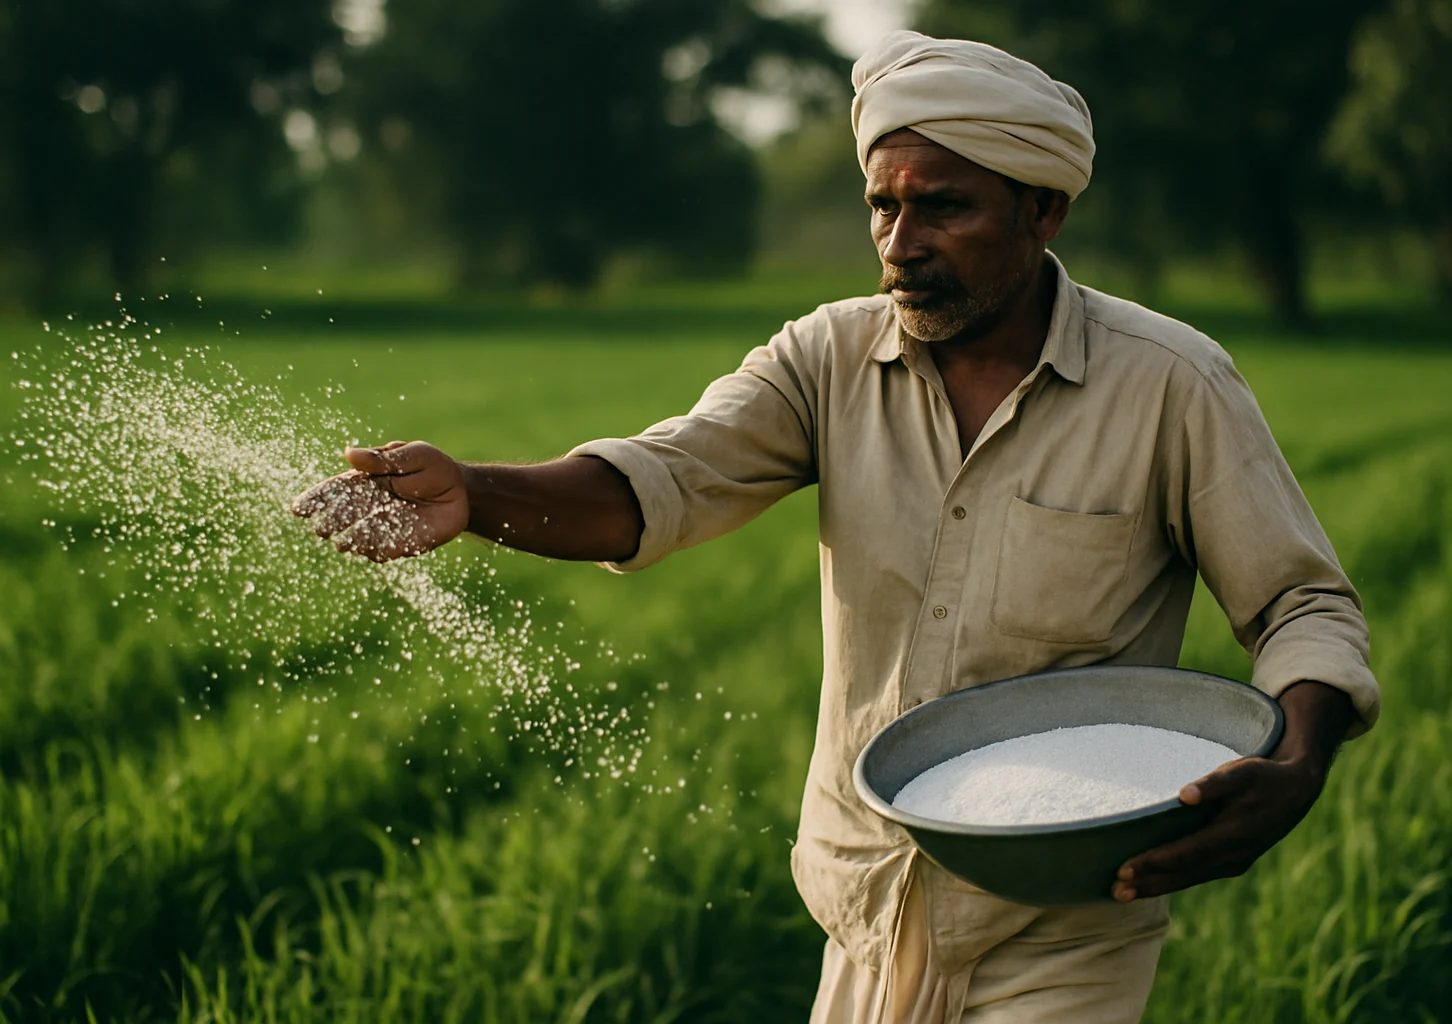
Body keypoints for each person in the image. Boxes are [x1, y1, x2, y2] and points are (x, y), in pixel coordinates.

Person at [292, 30, 1379, 1024]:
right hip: (864, 906)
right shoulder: (827, 360)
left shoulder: (1170, 385)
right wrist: (473, 493)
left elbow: (1300, 602)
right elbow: (659, 479)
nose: (899, 242)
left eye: (943, 206)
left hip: (1065, 929)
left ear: (1041, 210)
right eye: (881, 207)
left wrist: (1297, 761)